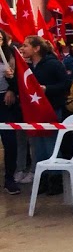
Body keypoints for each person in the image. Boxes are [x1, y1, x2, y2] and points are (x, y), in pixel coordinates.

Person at [20, 36, 70, 194]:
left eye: (26, 46)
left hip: (51, 109)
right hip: (35, 111)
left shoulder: (53, 64)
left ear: (36, 48)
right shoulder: (28, 66)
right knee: (38, 145)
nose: (23, 49)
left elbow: (66, 84)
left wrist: (47, 89)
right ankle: (43, 177)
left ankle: (56, 179)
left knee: (51, 144)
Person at [0, 31, 20, 195]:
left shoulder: (10, 55)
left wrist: (11, 86)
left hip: (4, 101)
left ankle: (9, 179)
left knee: (10, 140)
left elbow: (19, 80)